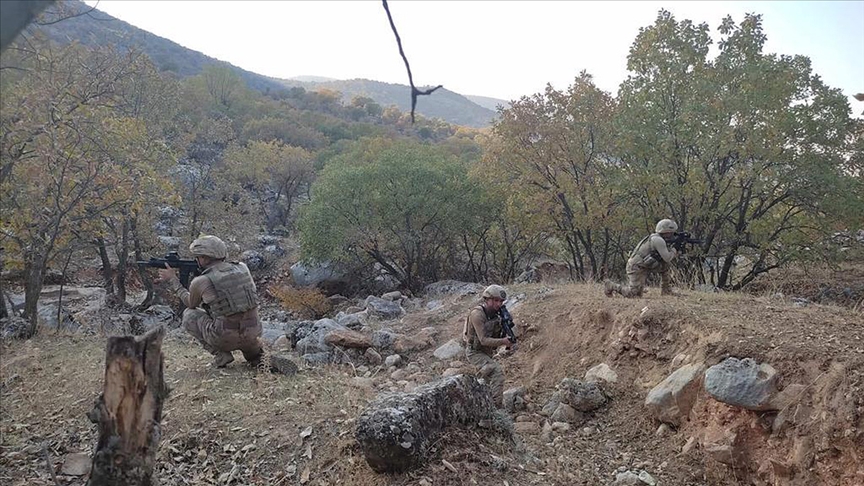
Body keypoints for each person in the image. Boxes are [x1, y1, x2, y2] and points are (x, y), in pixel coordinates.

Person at [158, 235, 263, 368]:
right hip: (253, 332)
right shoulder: (243, 268)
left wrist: (173, 279)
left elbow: (190, 303)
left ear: (205, 258)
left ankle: (221, 355)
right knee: (247, 338)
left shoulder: (202, 281)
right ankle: (255, 354)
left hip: (225, 337)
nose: (197, 260)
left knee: (189, 314)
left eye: (198, 257)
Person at [463, 284, 516, 407]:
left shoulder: (499, 313)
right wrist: (503, 341)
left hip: (487, 353)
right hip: (475, 352)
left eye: (501, 301)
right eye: (496, 300)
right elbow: (483, 340)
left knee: (484, 382)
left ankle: (479, 405)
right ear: (487, 299)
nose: (499, 304)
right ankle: (496, 409)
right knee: (497, 373)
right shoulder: (477, 314)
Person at [605, 219, 679, 298]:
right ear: (666, 232)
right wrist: (675, 249)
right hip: (636, 267)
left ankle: (666, 290)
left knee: (665, 265)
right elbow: (667, 257)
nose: (673, 234)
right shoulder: (658, 240)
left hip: (646, 264)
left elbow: (665, 259)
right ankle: (611, 285)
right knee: (633, 294)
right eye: (672, 232)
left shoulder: (656, 238)